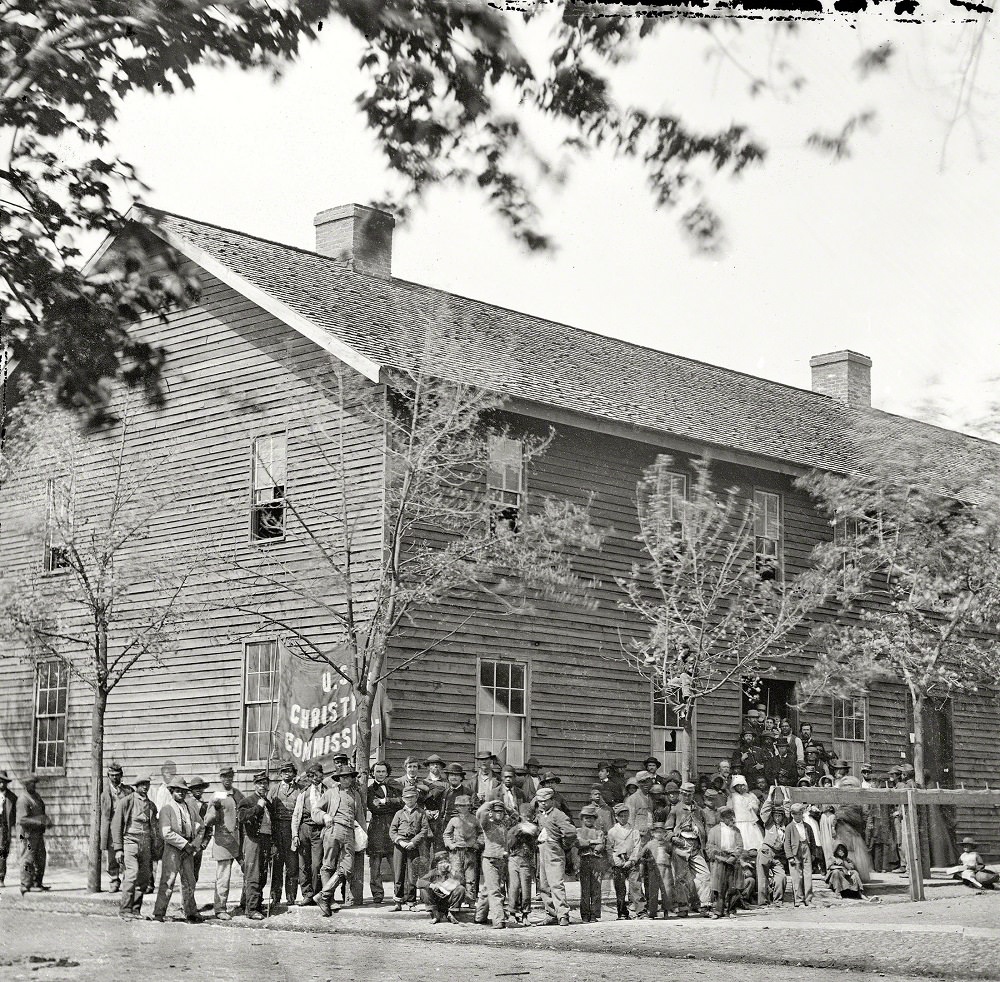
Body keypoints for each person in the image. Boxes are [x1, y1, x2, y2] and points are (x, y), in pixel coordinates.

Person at [312, 763, 365, 916]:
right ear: (339, 779)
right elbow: (316, 810)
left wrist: (363, 838)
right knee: (328, 865)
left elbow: (360, 817)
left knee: (347, 868)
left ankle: (324, 895)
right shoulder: (331, 792)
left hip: (349, 832)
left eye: (349, 777)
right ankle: (329, 900)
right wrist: (325, 816)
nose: (346, 780)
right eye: (343, 777)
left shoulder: (356, 795)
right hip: (333, 829)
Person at [150, 776, 202, 923]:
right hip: (173, 849)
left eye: (183, 791)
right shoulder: (167, 809)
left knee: (189, 881)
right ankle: (159, 913)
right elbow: (165, 832)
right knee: (168, 880)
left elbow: (202, 828)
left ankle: (191, 912)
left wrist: (194, 844)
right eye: (177, 791)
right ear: (171, 791)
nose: (181, 793)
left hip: (188, 849)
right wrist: (183, 844)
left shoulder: (191, 809)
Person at [112, 774, 159, 919]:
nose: (145, 787)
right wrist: (119, 849)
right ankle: (125, 910)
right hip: (130, 842)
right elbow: (116, 825)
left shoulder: (151, 805)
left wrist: (155, 846)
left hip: (146, 844)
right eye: (142, 784)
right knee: (132, 874)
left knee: (144, 877)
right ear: (136, 786)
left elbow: (154, 827)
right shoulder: (126, 802)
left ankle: (136, 910)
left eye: (147, 784)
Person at [237, 770, 279, 920]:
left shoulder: (268, 803)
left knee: (262, 874)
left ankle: (253, 904)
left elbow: (272, 825)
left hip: (266, 841)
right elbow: (242, 817)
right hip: (253, 841)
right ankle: (252, 909)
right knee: (253, 874)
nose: (263, 786)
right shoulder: (248, 801)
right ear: (255, 785)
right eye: (260, 783)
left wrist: (273, 844)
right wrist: (258, 807)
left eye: (265, 784)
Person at [205, 766, 245, 920]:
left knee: (248, 870)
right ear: (220, 778)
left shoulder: (238, 794)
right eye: (224, 776)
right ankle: (220, 908)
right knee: (224, 876)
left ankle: (245, 903)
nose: (227, 779)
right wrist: (215, 808)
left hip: (238, 841)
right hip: (223, 841)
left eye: (229, 776)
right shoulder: (216, 795)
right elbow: (208, 821)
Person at [534, 786, 576, 926]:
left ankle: (563, 914)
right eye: (540, 801)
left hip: (554, 850)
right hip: (542, 849)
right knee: (544, 884)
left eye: (546, 801)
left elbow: (570, 832)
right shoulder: (540, 814)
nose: (543, 803)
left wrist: (562, 845)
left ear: (552, 800)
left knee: (556, 883)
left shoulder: (558, 814)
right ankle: (551, 914)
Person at [389, 785, 431, 911]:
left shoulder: (421, 813)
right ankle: (398, 901)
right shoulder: (399, 813)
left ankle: (411, 902)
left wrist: (413, 842)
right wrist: (400, 841)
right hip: (400, 845)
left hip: (413, 845)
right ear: (403, 799)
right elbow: (392, 830)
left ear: (416, 798)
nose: (410, 800)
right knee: (398, 873)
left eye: (412, 797)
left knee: (412, 875)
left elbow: (424, 830)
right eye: (407, 798)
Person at [476, 799, 516, 928]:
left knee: (488, 888)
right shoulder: (487, 824)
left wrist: (508, 809)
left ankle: (480, 916)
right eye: (496, 811)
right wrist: (490, 803)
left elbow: (517, 817)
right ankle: (499, 920)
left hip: (502, 860)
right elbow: (480, 812)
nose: (499, 813)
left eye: (501, 811)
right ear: (491, 813)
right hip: (489, 860)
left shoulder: (505, 824)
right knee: (495, 891)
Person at [291, 763, 327, 905]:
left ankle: (318, 894)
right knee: (303, 864)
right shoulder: (304, 793)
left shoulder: (327, 792)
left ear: (321, 775)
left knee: (317, 864)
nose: (314, 779)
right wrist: (295, 834)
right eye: (311, 776)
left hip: (319, 831)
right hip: (304, 829)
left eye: (316, 775)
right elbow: (296, 815)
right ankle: (307, 894)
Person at [266, 761, 299, 907]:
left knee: (292, 866)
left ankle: (291, 897)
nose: (287, 773)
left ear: (294, 773)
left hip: (292, 831)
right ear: (280, 774)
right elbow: (268, 810)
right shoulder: (274, 789)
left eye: (290, 771)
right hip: (277, 831)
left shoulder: (300, 790)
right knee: (277, 866)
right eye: (284, 771)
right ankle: (275, 897)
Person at [367, 760, 401, 904]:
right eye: (377, 771)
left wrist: (385, 801)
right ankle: (377, 894)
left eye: (383, 771)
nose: (380, 774)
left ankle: (398, 894)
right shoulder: (369, 789)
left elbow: (402, 802)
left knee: (396, 863)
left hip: (393, 829)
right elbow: (374, 807)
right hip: (377, 830)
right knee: (375, 864)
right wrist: (391, 804)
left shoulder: (393, 787)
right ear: (373, 773)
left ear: (387, 773)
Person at [607, 801, 644, 920]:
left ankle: (641, 911)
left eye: (625, 815)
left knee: (636, 886)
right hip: (618, 862)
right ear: (616, 817)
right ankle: (622, 912)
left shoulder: (634, 830)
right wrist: (615, 861)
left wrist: (632, 860)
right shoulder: (612, 832)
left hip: (632, 862)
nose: (623, 818)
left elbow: (638, 846)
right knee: (620, 888)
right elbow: (609, 848)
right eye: (620, 816)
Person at [833, 776, 874, 882]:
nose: (848, 788)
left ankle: (856, 876)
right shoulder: (841, 802)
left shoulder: (858, 803)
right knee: (843, 851)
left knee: (854, 852)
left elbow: (861, 816)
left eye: (850, 786)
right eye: (846, 786)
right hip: (842, 831)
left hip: (854, 832)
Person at [706, 806, 744, 918]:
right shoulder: (714, 830)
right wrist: (719, 856)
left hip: (732, 861)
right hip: (720, 861)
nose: (730, 819)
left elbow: (740, 846)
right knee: (719, 887)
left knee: (732, 886)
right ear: (722, 818)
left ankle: (731, 910)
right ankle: (718, 911)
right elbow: (710, 846)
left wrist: (734, 856)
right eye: (727, 817)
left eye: (731, 816)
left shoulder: (736, 830)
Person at [16, 774, 51, 894]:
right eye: (30, 783)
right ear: (25, 785)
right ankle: (25, 884)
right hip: (28, 834)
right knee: (28, 859)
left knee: (41, 858)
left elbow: (41, 812)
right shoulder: (23, 799)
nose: (33, 785)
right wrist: (40, 821)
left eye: (34, 783)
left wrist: (46, 820)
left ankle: (37, 882)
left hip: (38, 833)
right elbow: (22, 820)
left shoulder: (36, 797)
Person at [99, 762, 130, 893]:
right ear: (108, 776)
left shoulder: (128, 791)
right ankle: (114, 880)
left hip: (124, 827)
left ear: (121, 776)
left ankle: (127, 880)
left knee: (126, 854)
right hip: (111, 828)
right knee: (112, 856)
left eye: (117, 775)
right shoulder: (103, 793)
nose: (115, 778)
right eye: (112, 775)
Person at [443, 794, 480, 900]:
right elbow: (446, 834)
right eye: (459, 806)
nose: (462, 808)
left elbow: (482, 833)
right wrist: (450, 844)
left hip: (470, 851)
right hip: (456, 852)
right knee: (456, 876)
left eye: (465, 806)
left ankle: (471, 899)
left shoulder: (474, 819)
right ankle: (456, 899)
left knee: (470, 877)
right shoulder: (454, 820)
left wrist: (477, 844)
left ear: (469, 806)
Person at [576, 804, 607, 923]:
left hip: (596, 861)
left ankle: (594, 914)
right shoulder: (578, 831)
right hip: (584, 861)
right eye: (586, 818)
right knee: (585, 889)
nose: (589, 820)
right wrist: (592, 842)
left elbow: (601, 844)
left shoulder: (599, 832)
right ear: (582, 819)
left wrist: (593, 846)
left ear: (595, 819)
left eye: (591, 818)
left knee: (596, 888)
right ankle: (585, 914)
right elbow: (579, 843)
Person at [416, 850, 466, 924]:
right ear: (436, 865)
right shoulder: (433, 872)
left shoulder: (452, 872)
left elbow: (462, 881)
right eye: (440, 863)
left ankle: (451, 914)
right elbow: (419, 882)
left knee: (461, 888)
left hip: (448, 900)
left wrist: (452, 870)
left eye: (445, 862)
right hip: (436, 901)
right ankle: (436, 914)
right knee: (424, 890)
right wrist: (431, 885)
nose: (443, 865)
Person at [638, 822, 673, 919]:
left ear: (664, 833)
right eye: (657, 832)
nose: (659, 834)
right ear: (653, 833)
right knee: (653, 890)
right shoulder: (649, 844)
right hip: (653, 869)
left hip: (666, 869)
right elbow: (641, 855)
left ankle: (666, 910)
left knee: (666, 890)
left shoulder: (667, 844)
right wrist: (646, 862)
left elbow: (671, 853)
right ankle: (652, 912)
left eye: (661, 832)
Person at [507, 814, 537, 925]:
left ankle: (525, 914)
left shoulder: (533, 829)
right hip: (514, 859)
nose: (527, 820)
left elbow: (535, 840)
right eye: (525, 817)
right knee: (514, 887)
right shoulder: (514, 829)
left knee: (526, 888)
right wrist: (517, 831)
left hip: (526, 861)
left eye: (529, 817)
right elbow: (509, 843)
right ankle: (512, 913)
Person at [784, 802, 815, 907]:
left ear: (803, 814)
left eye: (800, 813)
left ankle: (808, 899)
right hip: (795, 851)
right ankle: (799, 900)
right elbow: (787, 843)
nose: (798, 816)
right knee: (797, 877)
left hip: (806, 849)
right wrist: (790, 856)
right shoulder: (789, 827)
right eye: (796, 814)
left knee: (807, 875)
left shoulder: (807, 826)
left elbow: (813, 841)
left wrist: (813, 853)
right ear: (792, 814)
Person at [757, 807, 788, 906]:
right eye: (776, 816)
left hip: (778, 855)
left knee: (781, 876)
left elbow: (787, 809)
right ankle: (763, 902)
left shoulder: (785, 826)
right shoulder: (769, 823)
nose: (777, 818)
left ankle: (778, 901)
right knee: (762, 878)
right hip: (766, 851)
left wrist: (786, 796)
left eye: (779, 816)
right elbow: (765, 810)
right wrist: (770, 794)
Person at [185, 776, 211, 885]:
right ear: (191, 790)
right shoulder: (186, 803)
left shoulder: (205, 806)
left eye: (200, 788)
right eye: (196, 788)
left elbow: (208, 827)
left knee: (195, 872)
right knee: (186, 873)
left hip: (199, 843)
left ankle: (191, 897)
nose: (198, 790)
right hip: (187, 843)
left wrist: (204, 843)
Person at [728, 775, 763, 852]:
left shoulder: (749, 796)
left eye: (742, 785)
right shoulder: (732, 796)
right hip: (738, 821)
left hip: (749, 821)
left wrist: (752, 806)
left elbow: (756, 807)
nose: (740, 788)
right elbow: (730, 808)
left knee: (753, 840)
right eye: (738, 786)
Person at [0, 770, 16, 887]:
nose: (1, 785)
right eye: (0, 782)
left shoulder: (12, 798)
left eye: (4, 782)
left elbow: (15, 816)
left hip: (4, 829)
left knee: (2, 852)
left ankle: (1, 878)